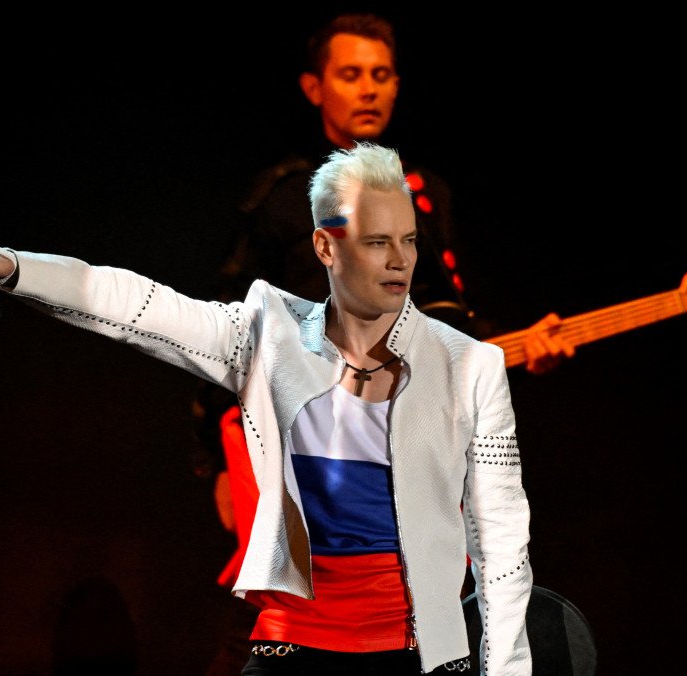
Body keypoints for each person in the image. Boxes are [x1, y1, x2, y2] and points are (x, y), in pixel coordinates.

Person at [0, 142, 534, 674]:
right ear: (325, 246)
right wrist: (17, 267)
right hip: (296, 646)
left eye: (406, 239)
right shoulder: (266, 338)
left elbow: (502, 543)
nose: (399, 259)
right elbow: (134, 305)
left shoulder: (467, 366)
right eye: (376, 240)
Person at [192, 14, 572, 674]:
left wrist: (513, 353)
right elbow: (228, 326)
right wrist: (217, 459)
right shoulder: (283, 198)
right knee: (271, 627)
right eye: (350, 74)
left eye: (381, 74)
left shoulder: (420, 193)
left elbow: (449, 315)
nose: (368, 88)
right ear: (315, 88)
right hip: (300, 456)